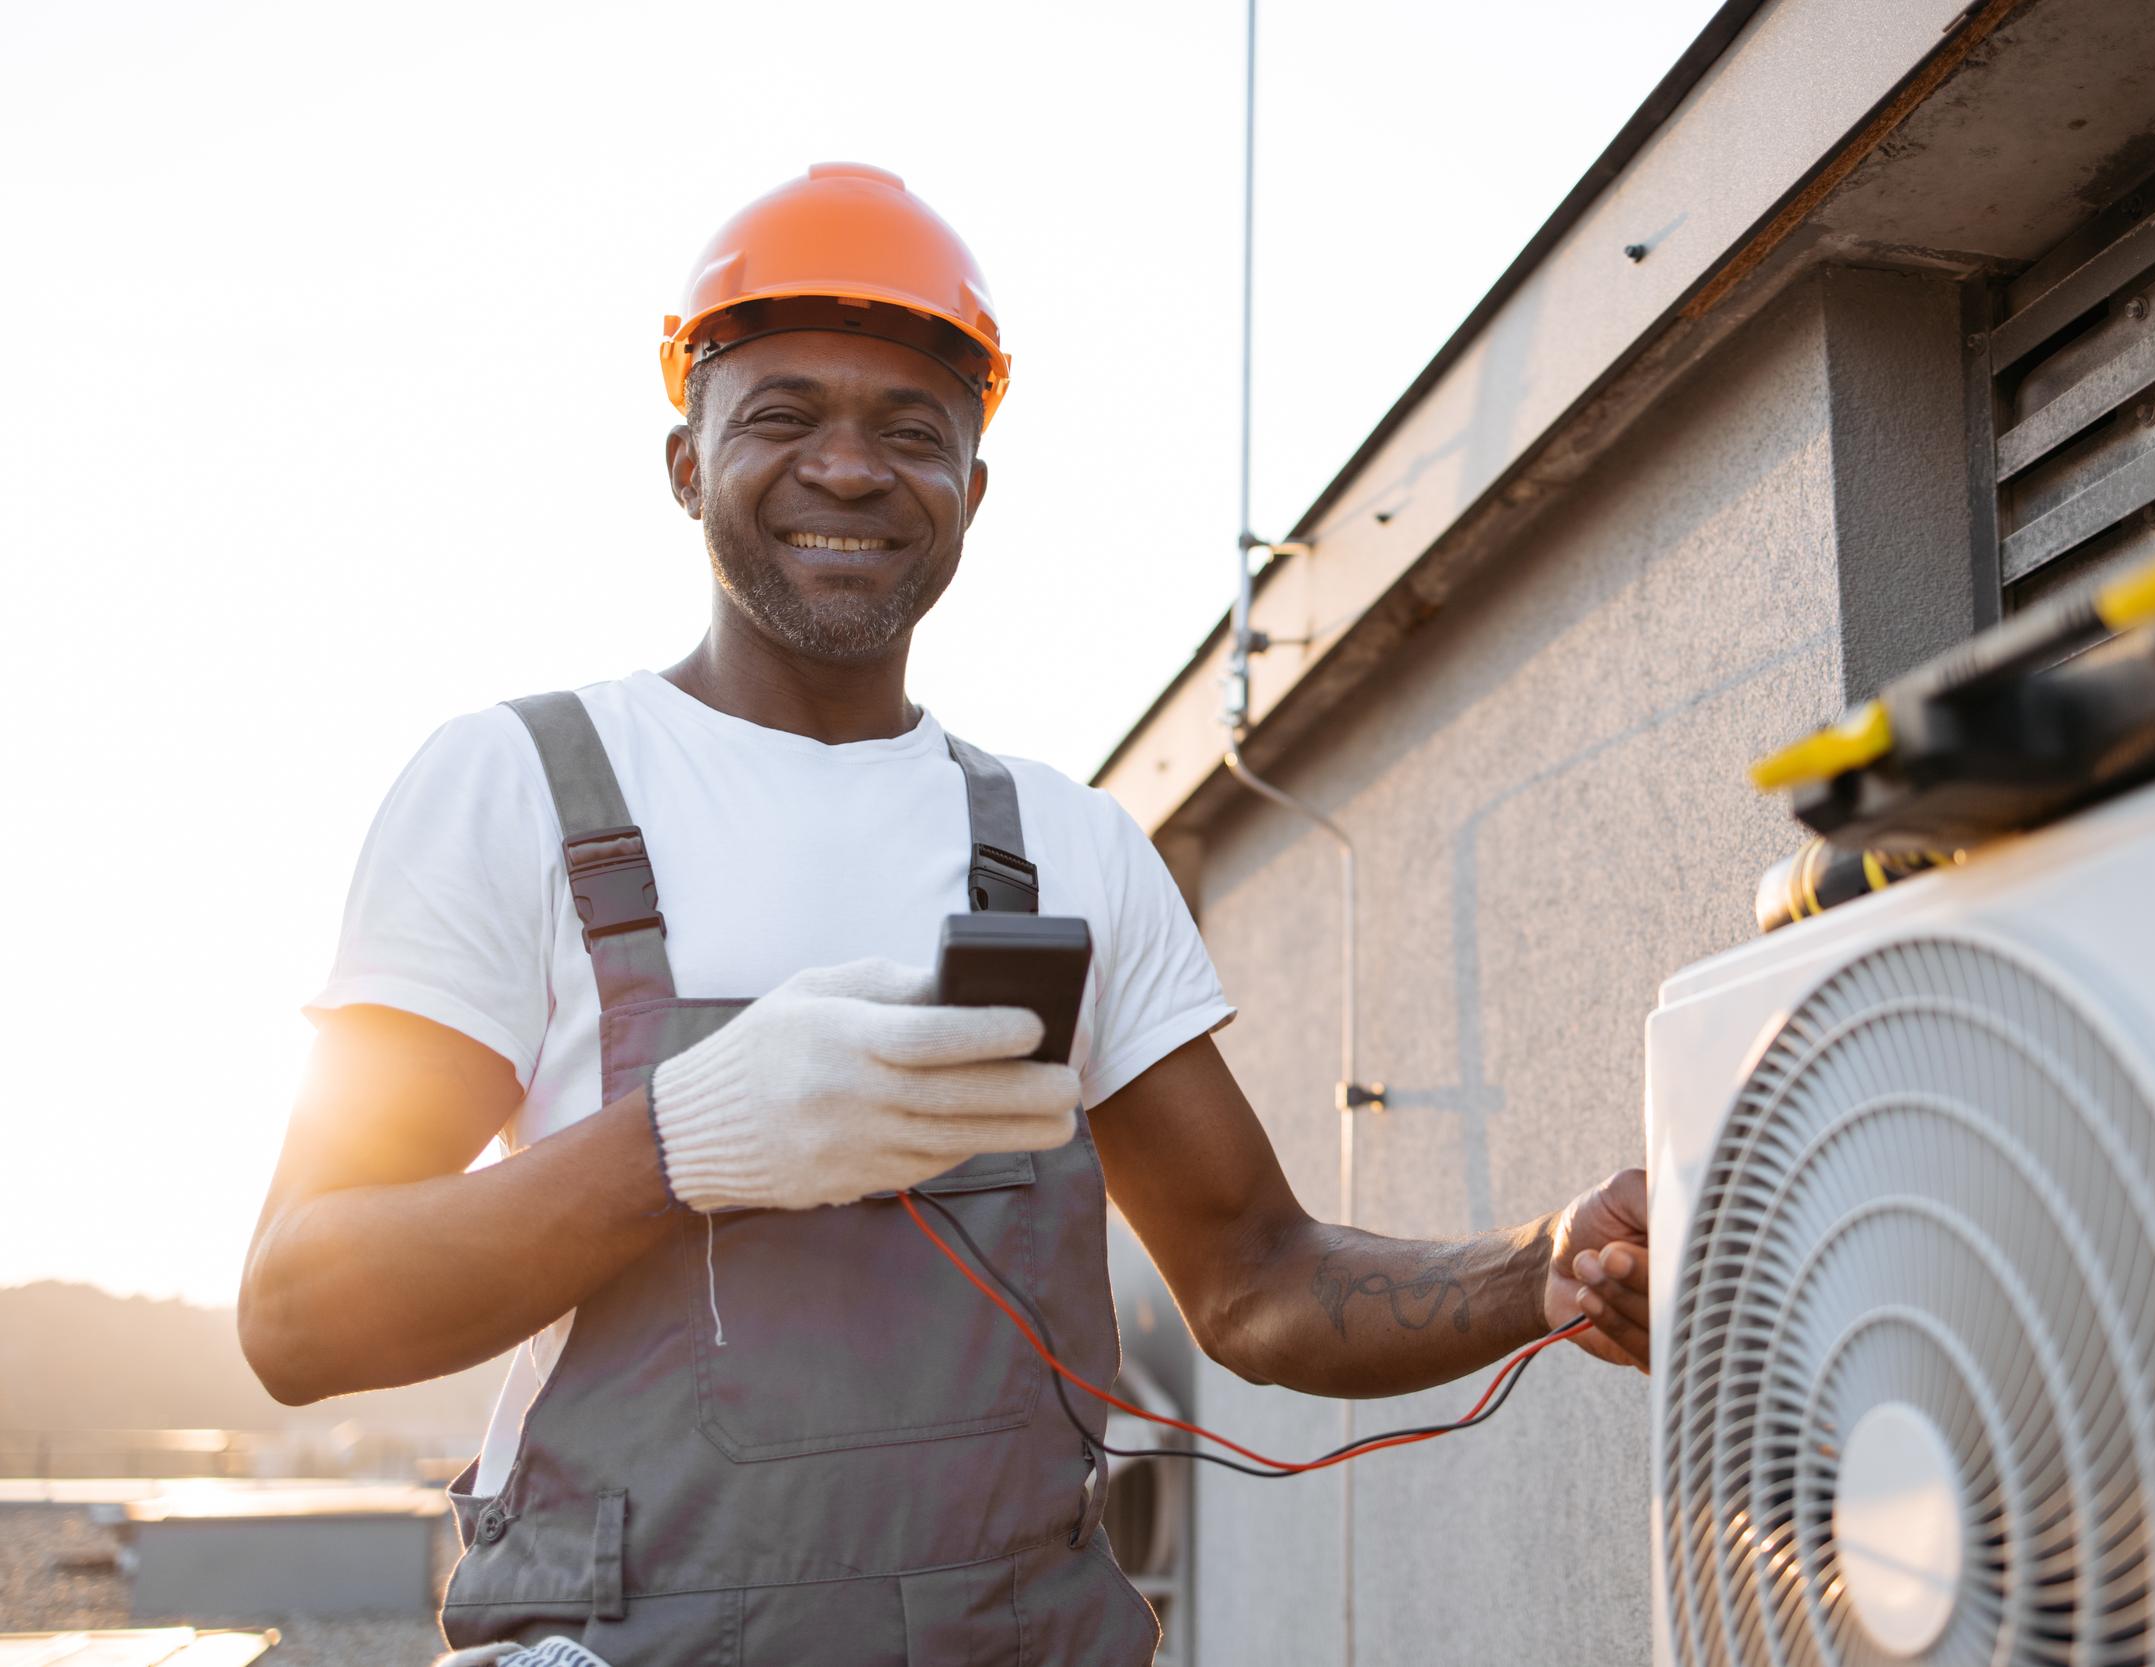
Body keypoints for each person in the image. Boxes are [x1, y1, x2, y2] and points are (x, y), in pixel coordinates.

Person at [239, 163, 1651, 1665]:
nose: (848, 469)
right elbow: (301, 1315)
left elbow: (1257, 1281)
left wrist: (1539, 1265)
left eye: (912, 431)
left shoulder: (1067, 849)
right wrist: (684, 1144)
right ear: (682, 461)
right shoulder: (518, 788)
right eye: (781, 413)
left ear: (971, 490)